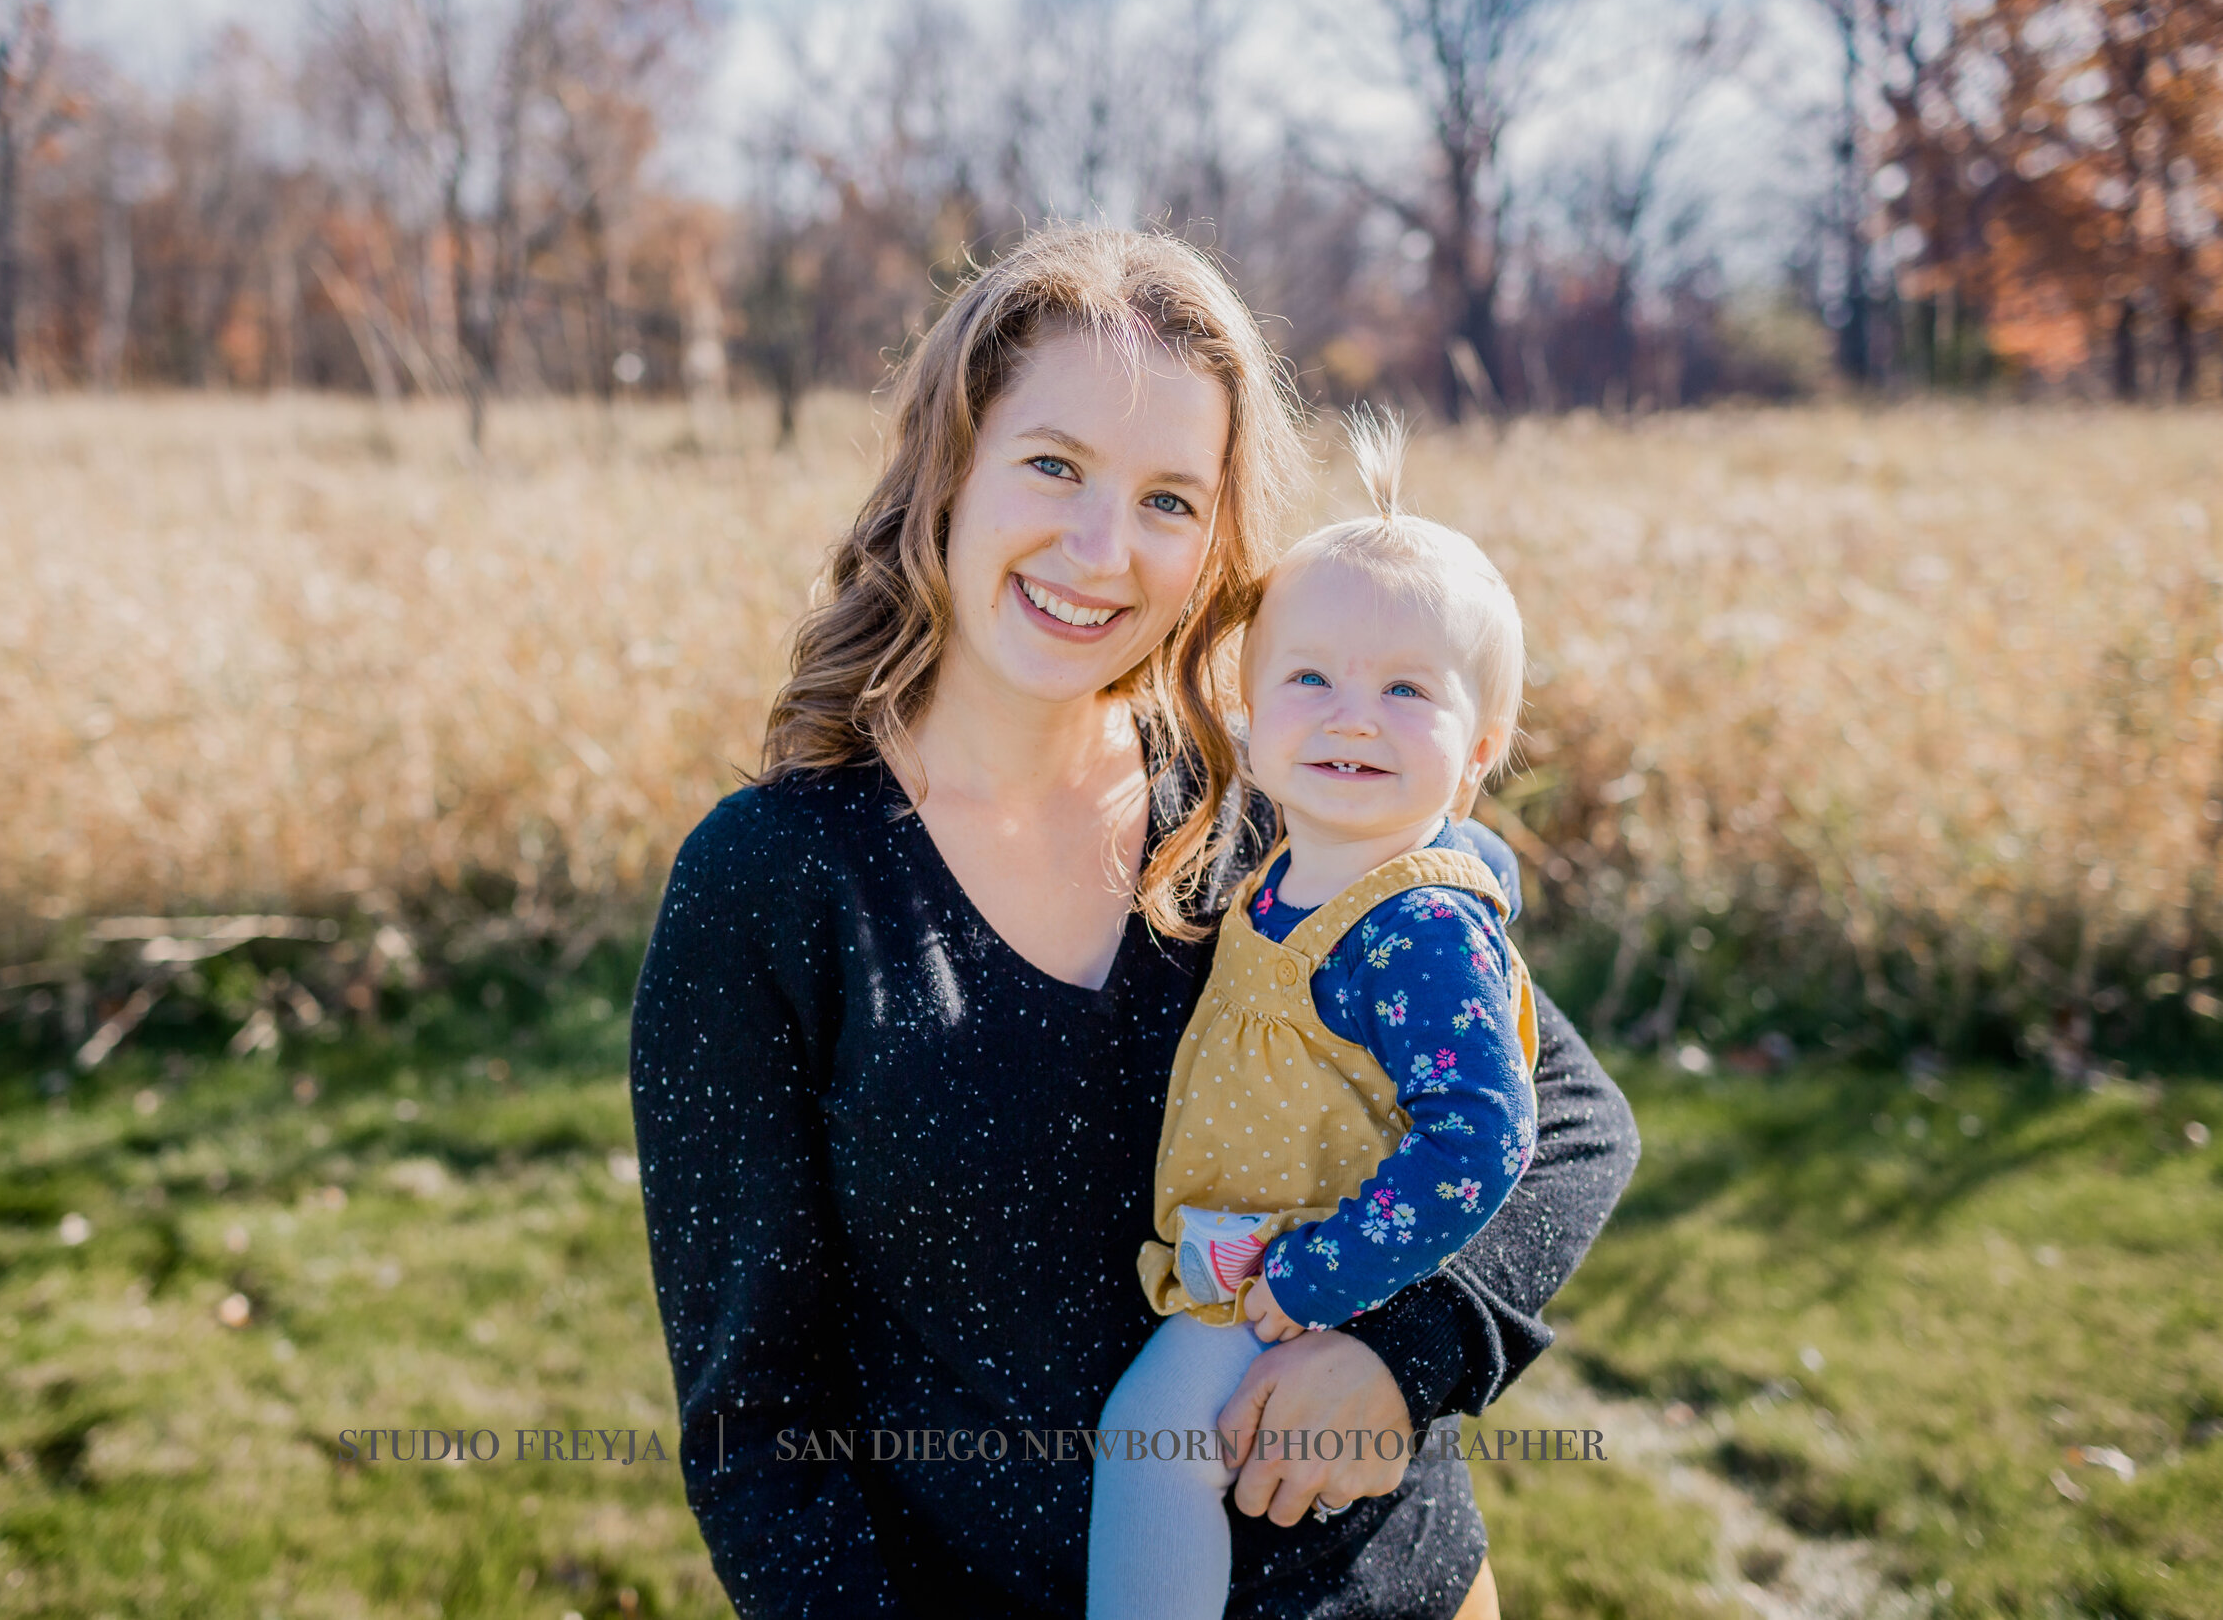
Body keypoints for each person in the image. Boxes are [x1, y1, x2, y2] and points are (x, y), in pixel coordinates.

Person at [629, 224, 1639, 1620]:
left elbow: (1567, 1115)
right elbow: (762, 1428)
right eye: (1054, 465)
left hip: (1390, 1586)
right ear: (950, 464)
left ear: (1219, 537)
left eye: (1172, 497)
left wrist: (1406, 1356)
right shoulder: (778, 884)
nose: (1102, 550)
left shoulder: (1274, 796)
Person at [1088, 413, 1540, 1620]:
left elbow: (1481, 1135)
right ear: (1250, 708)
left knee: (1153, 1438)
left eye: (1405, 689)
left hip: (1293, 1260)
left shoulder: (1418, 923)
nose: (1350, 716)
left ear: (1477, 747)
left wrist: (1315, 1276)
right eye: (1310, 678)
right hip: (1255, 1245)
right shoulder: (1290, 863)